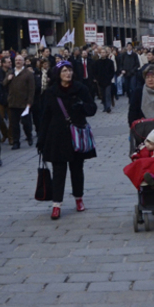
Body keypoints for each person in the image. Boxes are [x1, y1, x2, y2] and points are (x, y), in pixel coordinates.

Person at [36, 60, 97, 219]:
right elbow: (45, 117)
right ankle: (57, 204)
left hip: (76, 134)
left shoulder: (80, 88)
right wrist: (41, 140)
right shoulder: (51, 92)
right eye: (64, 71)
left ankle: (79, 199)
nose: (67, 74)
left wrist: (82, 106)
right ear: (58, 74)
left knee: (77, 170)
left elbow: (92, 109)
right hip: (57, 136)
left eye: (69, 70)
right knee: (58, 171)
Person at [6, 56, 35, 147]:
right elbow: (3, 83)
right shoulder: (11, 72)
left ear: (23, 62)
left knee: (26, 123)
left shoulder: (28, 73)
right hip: (13, 102)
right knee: (14, 124)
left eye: (20, 60)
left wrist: (29, 102)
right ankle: (16, 142)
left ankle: (29, 136)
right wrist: (8, 79)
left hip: (24, 103)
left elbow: (31, 89)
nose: (18, 62)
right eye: (16, 60)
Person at [90, 49, 117, 113]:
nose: (103, 54)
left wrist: (110, 78)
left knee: (108, 94)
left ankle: (108, 107)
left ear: (106, 53)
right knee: (102, 95)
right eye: (101, 53)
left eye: (104, 52)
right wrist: (97, 78)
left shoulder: (110, 62)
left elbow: (112, 71)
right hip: (100, 81)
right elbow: (94, 71)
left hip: (108, 81)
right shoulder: (97, 62)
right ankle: (105, 106)